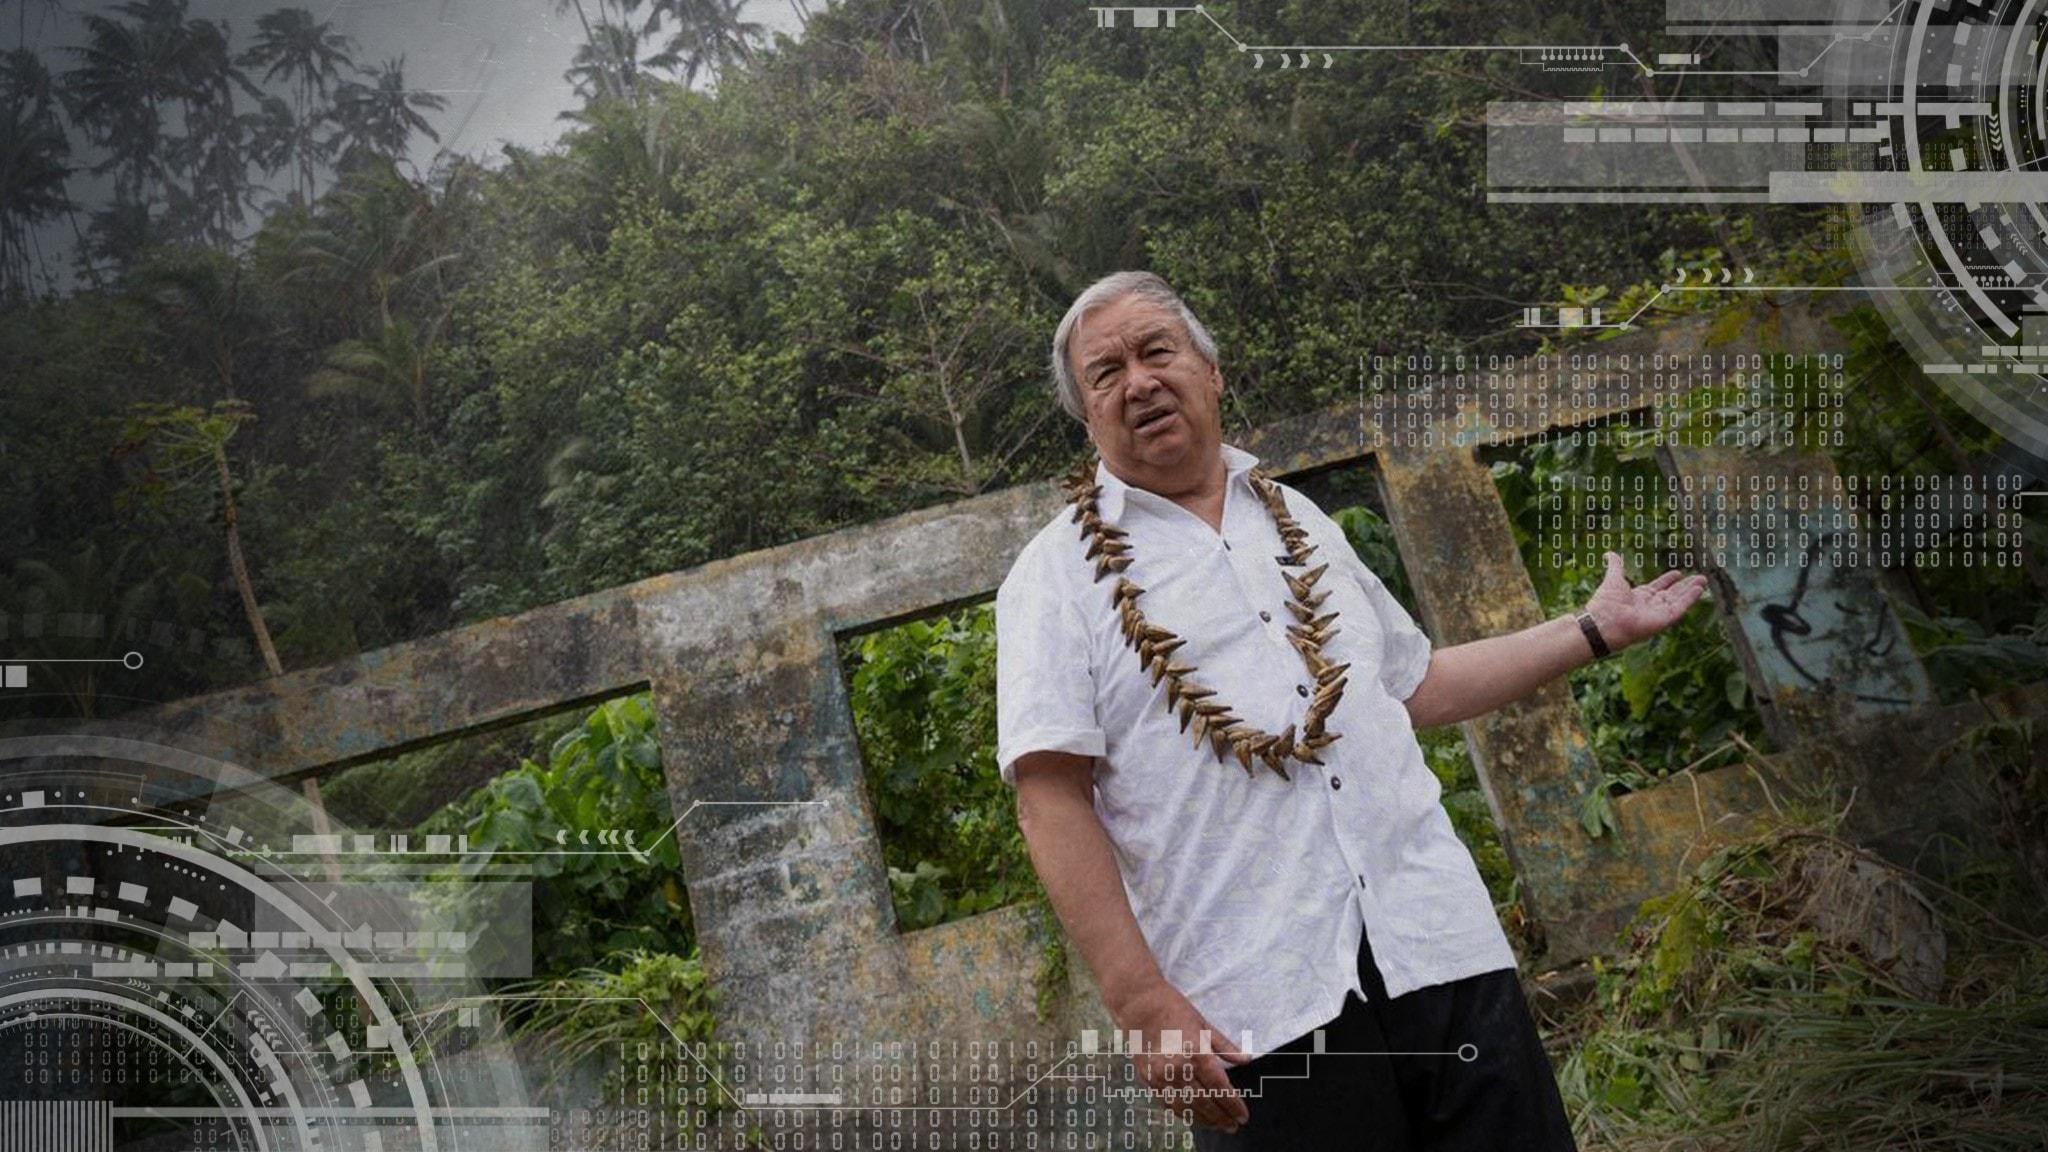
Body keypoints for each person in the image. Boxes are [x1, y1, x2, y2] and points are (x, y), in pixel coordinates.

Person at [994, 271, 1709, 1150]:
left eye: (1157, 351)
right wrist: (1141, 1002)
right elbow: (1049, 797)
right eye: (1106, 373)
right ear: (1088, 417)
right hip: (1261, 1006)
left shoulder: (1298, 519)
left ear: (1211, 372)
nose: (1139, 382)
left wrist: (1591, 630)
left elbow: (1416, 685)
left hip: (1439, 946)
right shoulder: (1054, 579)